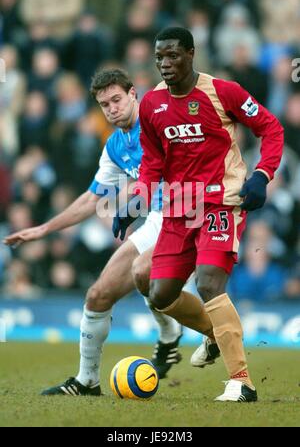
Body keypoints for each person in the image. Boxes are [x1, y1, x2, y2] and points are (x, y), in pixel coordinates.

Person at [3, 68, 217, 396]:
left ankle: (209, 338)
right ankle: (87, 380)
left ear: (134, 94)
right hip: (160, 220)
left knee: (145, 273)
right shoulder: (116, 145)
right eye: (105, 105)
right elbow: (92, 198)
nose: (112, 108)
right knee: (97, 295)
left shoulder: (161, 122)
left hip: (192, 216)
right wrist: (44, 228)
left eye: (117, 99)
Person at [113, 28, 284, 402]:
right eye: (159, 57)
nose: (165, 63)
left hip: (222, 201)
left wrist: (261, 174)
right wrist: (134, 203)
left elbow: (270, 128)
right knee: (160, 294)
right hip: (178, 210)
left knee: (208, 284)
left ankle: (242, 382)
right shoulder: (151, 105)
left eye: (173, 55)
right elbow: (153, 163)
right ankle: (214, 334)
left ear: (191, 54)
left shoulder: (224, 91)